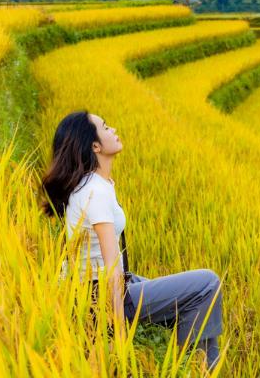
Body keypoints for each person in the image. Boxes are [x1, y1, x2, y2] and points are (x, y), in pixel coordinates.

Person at [41, 110, 223, 370]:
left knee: (187, 296)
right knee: (207, 284)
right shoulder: (95, 190)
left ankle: (194, 363)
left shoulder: (91, 184)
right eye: (105, 127)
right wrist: (118, 333)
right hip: (100, 296)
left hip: (92, 291)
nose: (113, 129)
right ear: (95, 146)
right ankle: (195, 367)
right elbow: (112, 269)